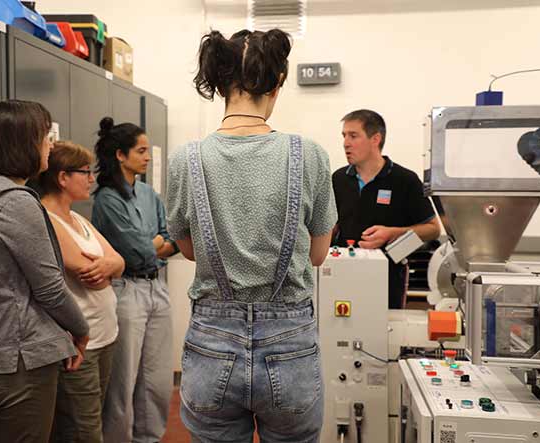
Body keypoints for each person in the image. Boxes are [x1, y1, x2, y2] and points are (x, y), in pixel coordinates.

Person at [166, 29, 336, 442]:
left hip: (211, 341)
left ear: (222, 83)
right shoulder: (308, 155)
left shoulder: (185, 160)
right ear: (277, 84)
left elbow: (187, 250)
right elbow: (317, 255)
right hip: (290, 342)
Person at [0, 100, 90, 443]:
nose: (51, 145)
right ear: (21, 143)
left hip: (0, 353)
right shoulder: (15, 202)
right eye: (45, 136)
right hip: (19, 358)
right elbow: (50, 288)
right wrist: (81, 328)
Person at [92, 119, 177, 443]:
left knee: (156, 380)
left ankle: (148, 439)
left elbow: (171, 238)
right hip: (127, 292)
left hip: (157, 287)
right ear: (120, 155)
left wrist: (153, 244)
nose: (148, 157)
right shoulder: (107, 199)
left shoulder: (147, 194)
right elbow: (138, 250)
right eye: (141, 151)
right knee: (122, 380)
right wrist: (153, 244)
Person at [38, 141, 125, 443]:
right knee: (83, 432)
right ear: (63, 178)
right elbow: (91, 276)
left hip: (105, 336)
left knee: (88, 423)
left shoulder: (79, 220)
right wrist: (109, 266)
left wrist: (111, 265)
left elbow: (120, 261)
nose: (91, 179)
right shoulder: (46, 218)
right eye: (85, 173)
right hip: (79, 344)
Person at [332, 109, 441, 309]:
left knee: (383, 334)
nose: (346, 143)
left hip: (388, 278)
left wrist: (393, 233)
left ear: (376, 139)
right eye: (344, 135)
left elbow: (433, 229)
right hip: (342, 274)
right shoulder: (338, 179)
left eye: (353, 136)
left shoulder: (405, 180)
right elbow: (331, 226)